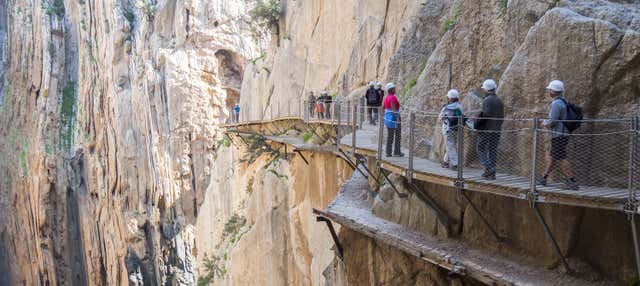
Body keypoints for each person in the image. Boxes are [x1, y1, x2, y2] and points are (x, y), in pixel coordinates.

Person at [536, 80, 579, 190]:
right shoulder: (563, 101)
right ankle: (544, 177)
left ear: (553, 91)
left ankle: (572, 181)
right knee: (554, 157)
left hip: (559, 134)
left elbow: (553, 120)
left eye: (550, 90)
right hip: (562, 134)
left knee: (560, 158)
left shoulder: (556, 103)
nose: (549, 91)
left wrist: (544, 123)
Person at [475, 79, 504, 180]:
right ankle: (491, 173)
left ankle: (489, 167)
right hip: (497, 129)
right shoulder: (499, 100)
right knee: (492, 149)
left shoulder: (487, 100)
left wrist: (478, 125)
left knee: (480, 147)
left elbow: (485, 115)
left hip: (487, 129)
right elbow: (502, 117)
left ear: (486, 90)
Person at [439, 89, 463, 170]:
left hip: (447, 129)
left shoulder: (446, 107)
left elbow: (440, 118)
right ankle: (445, 162)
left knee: (450, 146)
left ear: (449, 98)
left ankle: (456, 164)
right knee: (451, 145)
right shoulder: (459, 106)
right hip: (456, 129)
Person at [383, 83, 404, 157]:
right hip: (394, 117)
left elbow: (384, 107)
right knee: (398, 135)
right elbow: (393, 108)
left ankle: (388, 152)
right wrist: (397, 118)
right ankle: (397, 151)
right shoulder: (393, 97)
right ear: (391, 89)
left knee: (390, 135)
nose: (395, 89)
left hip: (387, 117)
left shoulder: (386, 98)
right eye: (394, 88)